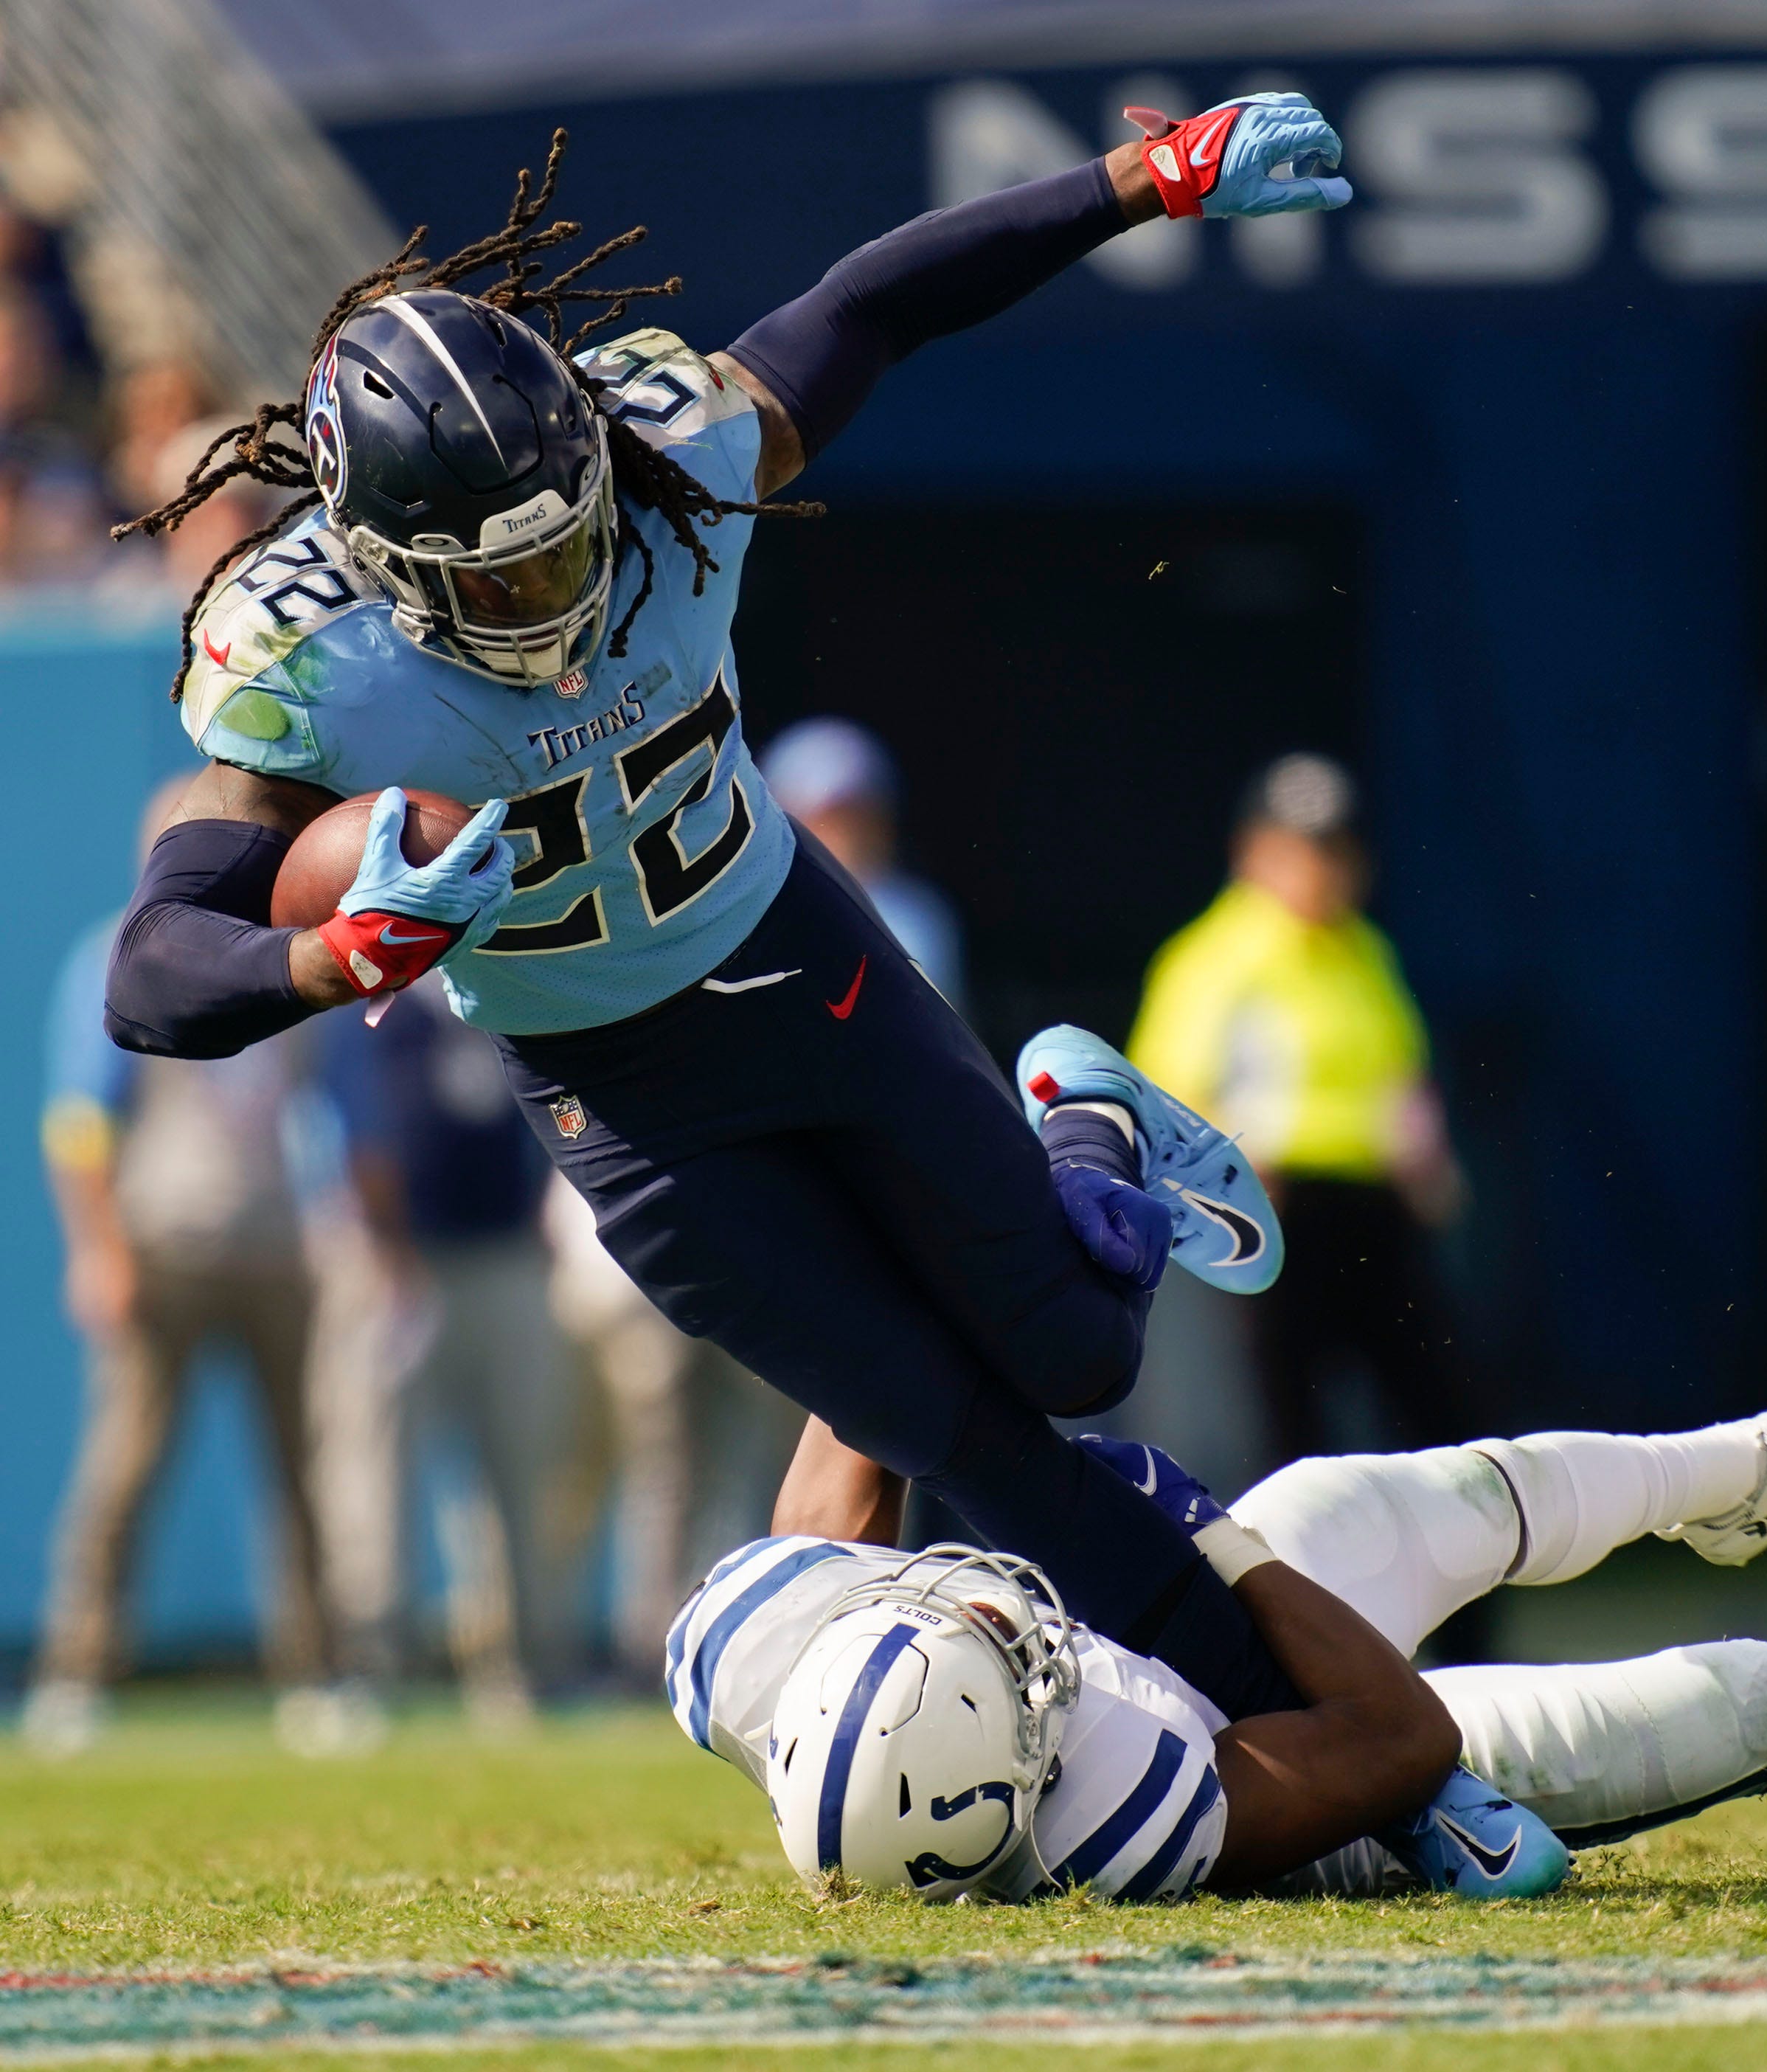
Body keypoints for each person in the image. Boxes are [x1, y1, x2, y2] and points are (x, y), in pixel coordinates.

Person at [97, 115, 1372, 1778]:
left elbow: (877, 304)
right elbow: (152, 969)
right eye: (510, 567)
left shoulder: (672, 457)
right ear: (392, 571)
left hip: (799, 957)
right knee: (964, 1434)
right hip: (623, 1098)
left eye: (570, 529)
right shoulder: (307, 665)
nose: (564, 577)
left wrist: (1139, 182)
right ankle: (1307, 1748)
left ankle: (1086, 1118)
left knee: (1080, 1350)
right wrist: (335, 957)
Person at [674, 1341, 1767, 1899]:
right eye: (1017, 1667)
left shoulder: (758, 1641)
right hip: (1332, 1776)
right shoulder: (1121, 1824)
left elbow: (860, 1421)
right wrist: (1210, 1540)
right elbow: (1399, 1732)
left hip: (1180, 1664)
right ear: (1031, 1772)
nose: (1012, 1620)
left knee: (1433, 1492)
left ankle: (1753, 1465)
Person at [27, 780, 334, 1754]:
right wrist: (99, 1248)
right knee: (128, 1463)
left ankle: (319, 1670)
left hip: (277, 1242)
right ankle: (78, 1669)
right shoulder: (113, 959)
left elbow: (321, 1110)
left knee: (302, 1469)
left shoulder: (279, 949)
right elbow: (79, 1122)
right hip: (166, 1243)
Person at [1129, 753, 1478, 1463]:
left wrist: (1428, 1156)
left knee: (1442, 1405)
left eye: (1335, 848)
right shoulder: (1212, 956)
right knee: (1289, 1427)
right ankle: (1299, 1575)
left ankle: (1474, 1568)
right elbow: (1166, 1094)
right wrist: (1231, 1182)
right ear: (1253, 851)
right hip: (1272, 1215)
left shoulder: (1365, 951)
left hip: (1375, 1208)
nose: (1319, 869)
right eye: (1298, 848)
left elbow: (1398, 1071)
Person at [313, 977, 577, 1725]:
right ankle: (370, 1664)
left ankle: (524, 1666)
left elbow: (570, 1106)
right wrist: (385, 1248)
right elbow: (353, 1127)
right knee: (372, 1473)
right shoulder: (366, 1006)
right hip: (391, 1264)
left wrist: (556, 1201)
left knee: (523, 1469)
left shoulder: (519, 994)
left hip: (506, 1258)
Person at [542, 1171, 803, 1666]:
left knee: (726, 1472)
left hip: (726, 1275)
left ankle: (722, 1635)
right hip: (634, 1286)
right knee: (657, 1477)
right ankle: (652, 1642)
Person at [758, 717, 967, 1020]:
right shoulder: (741, 917)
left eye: (859, 817)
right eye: (827, 818)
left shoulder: (914, 919)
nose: (848, 835)